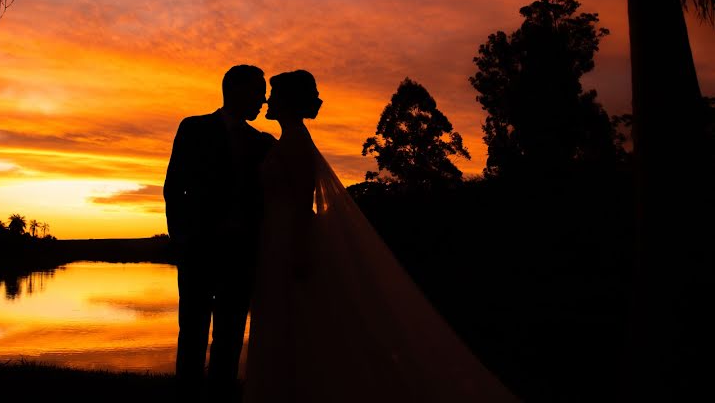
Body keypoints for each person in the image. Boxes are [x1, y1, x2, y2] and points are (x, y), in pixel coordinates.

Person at [243, 70, 520, 402]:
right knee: (286, 321)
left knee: (291, 322)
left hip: (287, 239)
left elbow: (304, 201)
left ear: (286, 101)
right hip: (276, 236)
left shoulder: (296, 142)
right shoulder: (287, 140)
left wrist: (300, 248)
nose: (268, 101)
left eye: (273, 95)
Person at [164, 64, 277, 403]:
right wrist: (180, 238)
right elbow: (174, 187)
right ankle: (187, 394)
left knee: (230, 335)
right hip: (198, 248)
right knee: (193, 331)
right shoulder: (194, 127)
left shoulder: (262, 142)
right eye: (258, 91)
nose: (263, 99)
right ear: (238, 90)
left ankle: (221, 397)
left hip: (241, 254)